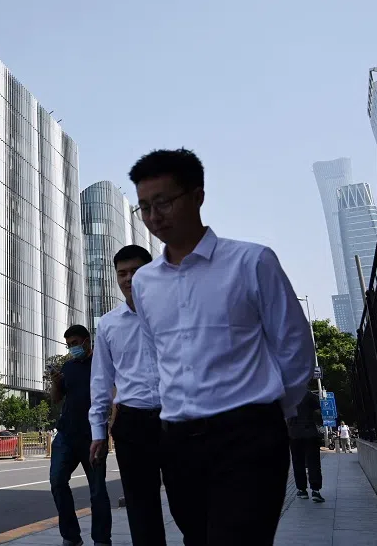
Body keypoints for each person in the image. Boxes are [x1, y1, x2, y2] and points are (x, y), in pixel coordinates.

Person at [128, 149, 314, 545]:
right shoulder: (145, 283)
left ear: (197, 196)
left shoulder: (251, 262)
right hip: (178, 443)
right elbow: (154, 355)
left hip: (248, 438)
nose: (154, 216)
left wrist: (267, 411)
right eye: (144, 207)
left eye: (163, 202)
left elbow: (295, 346)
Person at [89, 245, 166, 545]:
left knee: (190, 502)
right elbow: (101, 381)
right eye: (122, 273)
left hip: (176, 419)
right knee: (141, 509)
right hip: (132, 425)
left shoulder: (172, 313)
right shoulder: (108, 324)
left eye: (135, 271)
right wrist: (98, 430)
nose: (128, 278)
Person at [50, 324, 112, 546]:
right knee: (57, 481)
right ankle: (71, 536)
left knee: (97, 491)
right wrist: (56, 383)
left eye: (75, 344)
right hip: (66, 435)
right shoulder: (68, 367)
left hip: (92, 436)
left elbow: (112, 395)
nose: (72, 349)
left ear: (87, 341)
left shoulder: (101, 364)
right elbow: (57, 398)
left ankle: (102, 540)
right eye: (68, 346)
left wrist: (107, 431)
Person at [288, 388, 325, 503]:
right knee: (313, 461)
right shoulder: (310, 395)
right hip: (310, 433)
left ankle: (302, 490)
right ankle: (315, 490)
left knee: (297, 462)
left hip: (294, 434)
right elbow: (319, 413)